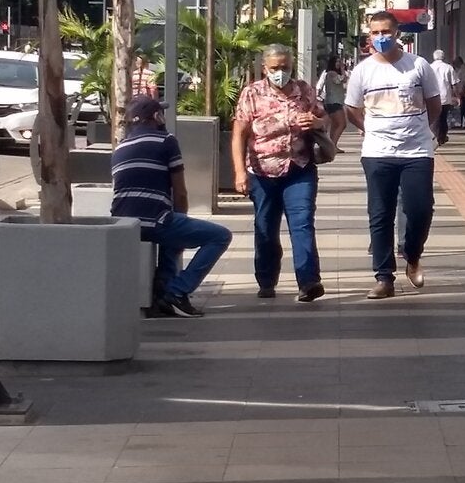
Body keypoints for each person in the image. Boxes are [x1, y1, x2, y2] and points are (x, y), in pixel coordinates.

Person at [345, 11, 443, 300]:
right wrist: (371, 129)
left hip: (417, 150)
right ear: (369, 36)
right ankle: (384, 276)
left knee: (420, 209)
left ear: (398, 32)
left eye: (385, 31)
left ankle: (412, 255)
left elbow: (434, 104)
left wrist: (422, 129)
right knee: (380, 213)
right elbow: (352, 109)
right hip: (377, 152)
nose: (380, 37)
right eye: (375, 33)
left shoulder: (418, 65)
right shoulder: (363, 70)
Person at [112, 94, 233, 317]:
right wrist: (182, 217)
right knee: (220, 236)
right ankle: (177, 291)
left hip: (123, 222)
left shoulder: (120, 147)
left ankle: (162, 294)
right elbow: (180, 191)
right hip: (154, 221)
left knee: (172, 226)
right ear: (156, 116)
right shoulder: (166, 141)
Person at [231, 44, 328, 303]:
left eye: (285, 67)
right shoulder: (252, 93)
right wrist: (240, 172)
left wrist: (316, 122)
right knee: (265, 226)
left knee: (302, 223)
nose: (280, 73)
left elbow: (322, 118)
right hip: (262, 171)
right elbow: (239, 133)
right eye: (274, 68)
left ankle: (309, 281)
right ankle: (266, 279)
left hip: (299, 168)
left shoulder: (304, 90)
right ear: (264, 68)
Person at [316, 55, 350, 149]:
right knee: (342, 124)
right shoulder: (331, 73)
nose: (339, 64)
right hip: (333, 102)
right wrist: (343, 69)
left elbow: (344, 79)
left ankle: (332, 145)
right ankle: (332, 145)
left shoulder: (331, 73)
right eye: (337, 62)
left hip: (335, 101)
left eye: (340, 62)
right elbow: (340, 80)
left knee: (335, 124)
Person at [430, 49, 461, 146]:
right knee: (443, 117)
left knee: (435, 118)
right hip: (445, 96)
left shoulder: (429, 67)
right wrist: (457, 96)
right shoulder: (449, 68)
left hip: (432, 96)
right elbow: (454, 84)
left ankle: (435, 137)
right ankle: (442, 137)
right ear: (443, 57)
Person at [452, 52, 465, 132]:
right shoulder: (461, 68)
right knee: (464, 108)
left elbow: (463, 81)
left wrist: (461, 91)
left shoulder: (463, 69)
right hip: (461, 91)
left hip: (463, 91)